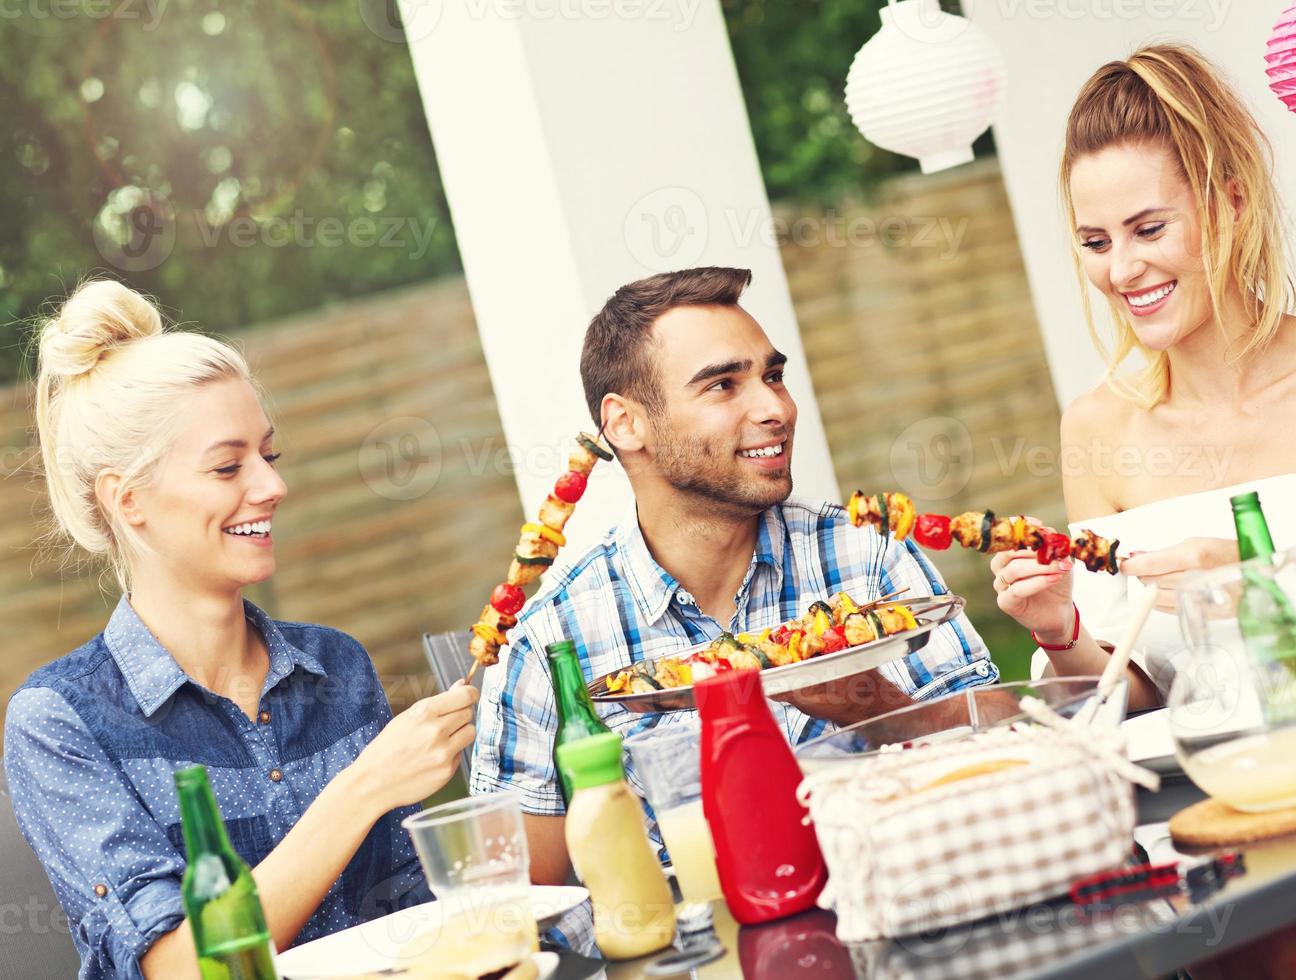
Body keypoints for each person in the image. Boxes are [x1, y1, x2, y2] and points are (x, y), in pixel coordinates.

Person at [991, 44, 1296, 978]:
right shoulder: (1094, 427)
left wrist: (1263, 588)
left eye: (1147, 228)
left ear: (1228, 200)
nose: (1122, 269)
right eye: (1095, 242)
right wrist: (1060, 631)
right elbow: (1134, 694)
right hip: (1211, 839)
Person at [473, 266, 998, 946]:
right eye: (724, 384)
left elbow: (1015, 746)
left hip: (916, 934)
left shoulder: (867, 557)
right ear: (625, 423)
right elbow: (519, 904)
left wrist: (880, 707)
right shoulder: (552, 643)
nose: (775, 407)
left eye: (772, 376)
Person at [3, 280, 477, 978]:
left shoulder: (335, 667)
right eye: (228, 466)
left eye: (268, 455)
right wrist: (365, 787)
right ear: (127, 499)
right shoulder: (59, 721)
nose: (271, 486)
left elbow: (407, 913)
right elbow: (185, 965)